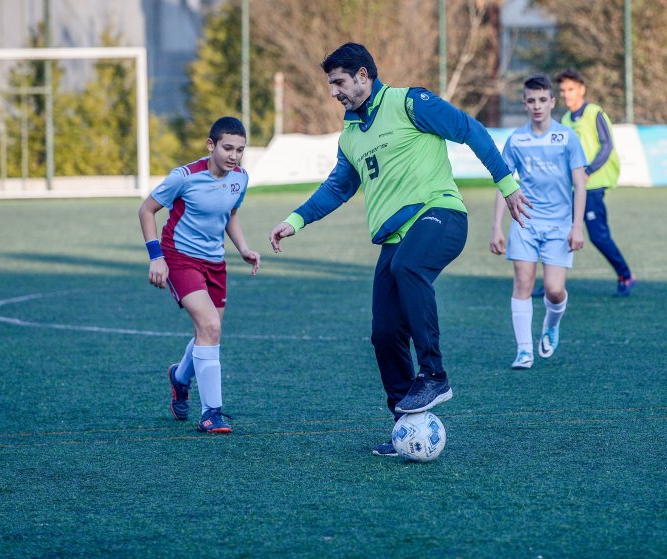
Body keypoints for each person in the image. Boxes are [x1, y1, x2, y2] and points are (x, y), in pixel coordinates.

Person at [268, 43, 531, 457]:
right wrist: (296, 219)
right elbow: (338, 187)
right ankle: (406, 427)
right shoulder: (351, 135)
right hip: (395, 237)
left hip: (440, 214)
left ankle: (434, 374)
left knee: (409, 267)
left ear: (362, 75)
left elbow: (470, 129)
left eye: (338, 82)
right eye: (330, 84)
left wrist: (507, 185)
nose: (333, 91)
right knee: (384, 333)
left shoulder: (409, 102)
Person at [139, 116, 260, 434]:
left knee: (208, 331)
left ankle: (179, 378)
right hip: (180, 259)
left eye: (240, 150)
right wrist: (157, 258)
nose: (234, 156)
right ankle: (211, 413)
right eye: (228, 148)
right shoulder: (184, 177)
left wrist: (243, 248)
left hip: (215, 263)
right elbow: (146, 210)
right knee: (209, 326)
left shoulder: (240, 178)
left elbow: (230, 214)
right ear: (211, 145)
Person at [490, 75, 587, 370]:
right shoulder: (516, 139)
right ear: (524, 104)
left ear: (552, 102)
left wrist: (577, 225)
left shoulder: (567, 138)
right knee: (523, 282)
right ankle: (523, 351)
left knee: (554, 291)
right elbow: (504, 184)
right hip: (525, 221)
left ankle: (551, 324)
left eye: (542, 100)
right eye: (531, 100)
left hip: (559, 225)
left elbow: (580, 184)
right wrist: (496, 226)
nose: (537, 106)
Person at [555, 68, 635, 297]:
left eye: (571, 89)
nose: (566, 94)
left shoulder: (594, 112)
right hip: (573, 186)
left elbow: (606, 145)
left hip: (593, 184)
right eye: (563, 91)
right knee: (559, 232)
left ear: (581, 89)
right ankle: (553, 281)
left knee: (598, 236)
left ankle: (626, 275)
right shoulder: (565, 119)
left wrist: (588, 170)